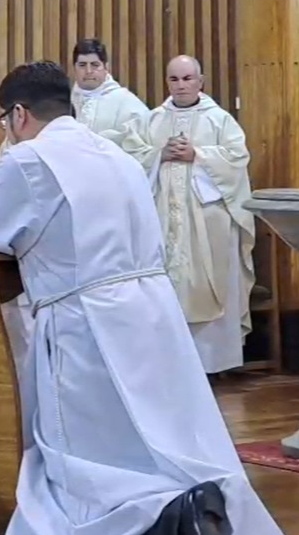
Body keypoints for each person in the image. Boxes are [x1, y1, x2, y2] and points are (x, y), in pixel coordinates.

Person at [0, 61, 282, 535]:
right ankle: (189, 503)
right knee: (162, 431)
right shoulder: (114, 155)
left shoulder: (30, 159)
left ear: (19, 113)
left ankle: (146, 517)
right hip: (152, 312)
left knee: (92, 447)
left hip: (85, 319)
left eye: (5, 121)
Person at [117, 55, 256, 374]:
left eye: (188, 78)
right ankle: (167, 365)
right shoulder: (151, 121)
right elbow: (128, 158)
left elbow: (237, 160)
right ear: (167, 82)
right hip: (163, 219)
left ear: (201, 81)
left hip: (208, 223)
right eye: (174, 79)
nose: (181, 85)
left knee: (210, 284)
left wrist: (199, 156)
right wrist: (157, 155)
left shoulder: (219, 120)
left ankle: (211, 364)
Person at [70, 38, 149, 136]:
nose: (88, 71)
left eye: (95, 65)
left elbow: (143, 138)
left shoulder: (125, 101)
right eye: (82, 65)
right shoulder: (65, 100)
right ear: (74, 68)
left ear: (106, 68)